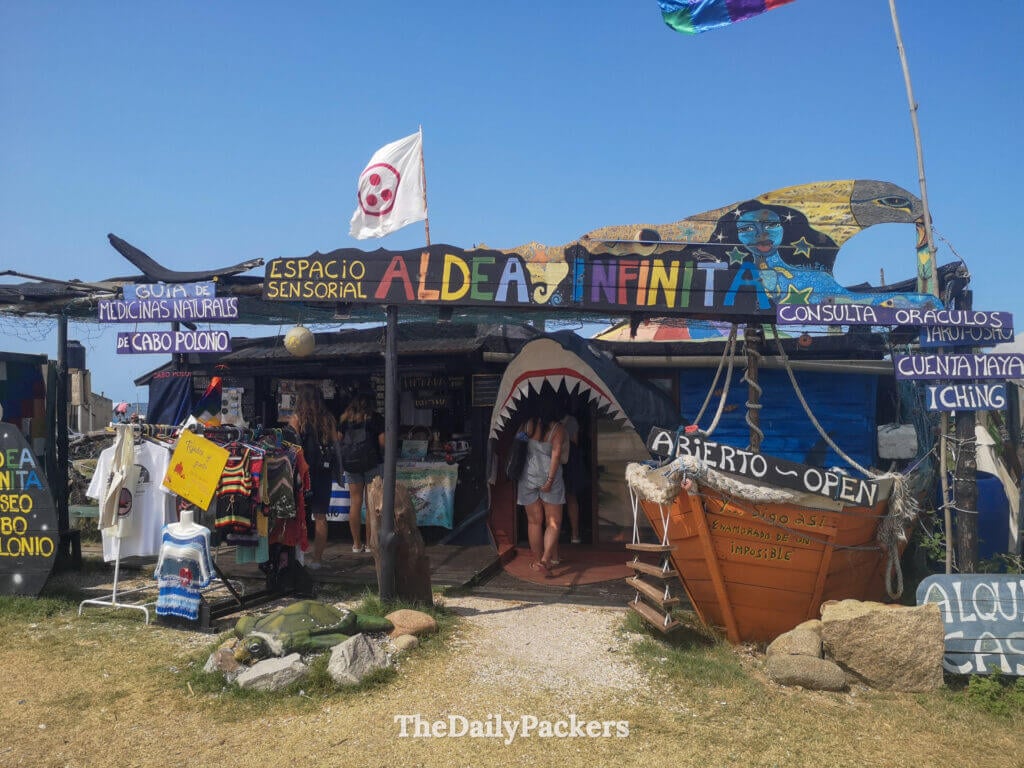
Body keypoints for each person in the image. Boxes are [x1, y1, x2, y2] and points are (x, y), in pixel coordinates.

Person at [288, 384, 341, 569]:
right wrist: (339, 473)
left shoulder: (297, 419)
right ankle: (317, 559)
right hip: (323, 473)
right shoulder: (328, 419)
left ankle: (297, 557)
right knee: (320, 516)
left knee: (298, 516)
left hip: (302, 474)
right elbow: (336, 448)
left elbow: (292, 449)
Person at [515, 401, 565, 574]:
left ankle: (537, 561)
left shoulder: (528, 424)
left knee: (534, 522)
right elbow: (556, 455)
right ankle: (546, 560)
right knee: (553, 522)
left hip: (527, 477)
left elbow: (518, 445)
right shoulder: (558, 429)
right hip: (549, 478)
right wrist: (550, 480)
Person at [338, 394, 385, 553]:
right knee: (371, 504)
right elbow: (383, 442)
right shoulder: (376, 418)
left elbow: (338, 440)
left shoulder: (345, 420)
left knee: (355, 503)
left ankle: (356, 544)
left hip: (351, 465)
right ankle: (371, 544)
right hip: (372, 463)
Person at [559, 398, 583, 546]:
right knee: (571, 498)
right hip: (570, 463)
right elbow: (576, 441)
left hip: (551, 465)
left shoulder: (545, 425)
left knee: (554, 500)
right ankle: (575, 534)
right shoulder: (572, 421)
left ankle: (558, 530)